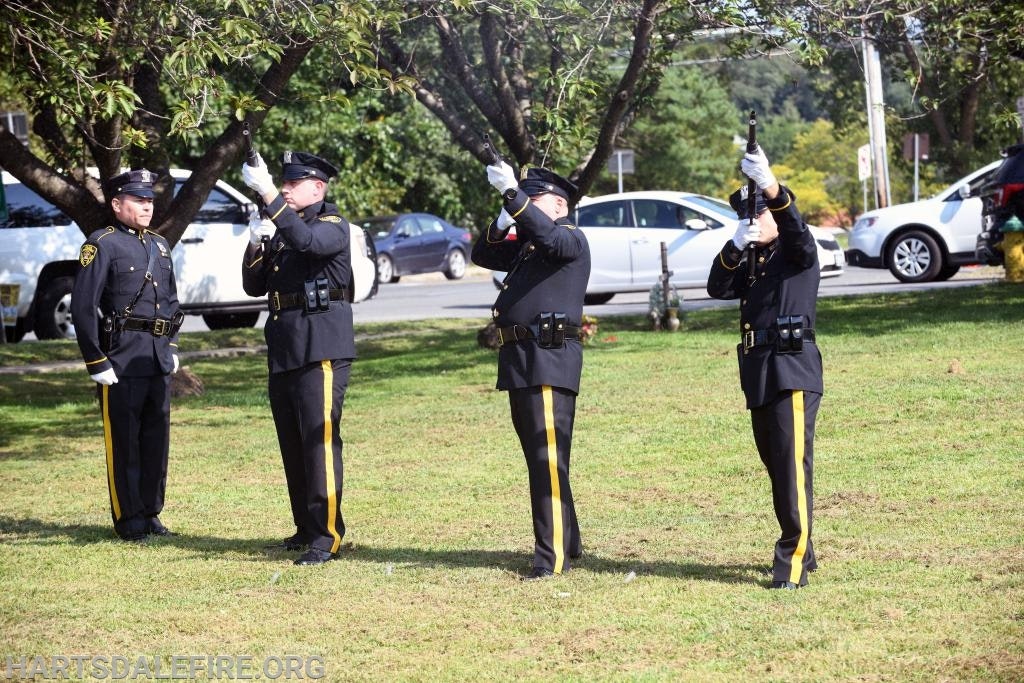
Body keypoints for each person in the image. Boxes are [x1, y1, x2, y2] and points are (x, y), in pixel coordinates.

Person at [706, 146, 823, 590]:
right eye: (746, 217)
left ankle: (790, 565)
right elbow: (717, 286)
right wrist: (735, 245)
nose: (753, 222)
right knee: (780, 469)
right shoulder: (754, 262)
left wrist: (772, 186)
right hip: (759, 372)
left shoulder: (796, 251)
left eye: (759, 214)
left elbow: (794, 227)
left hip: (792, 368)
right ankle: (805, 551)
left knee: (792, 468)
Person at [471, 161, 591, 580]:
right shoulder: (531, 244)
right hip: (522, 359)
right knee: (541, 459)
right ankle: (568, 539)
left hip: (548, 358)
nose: (527, 212)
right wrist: (505, 213)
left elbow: (547, 233)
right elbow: (483, 253)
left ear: (559, 205)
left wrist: (512, 196)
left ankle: (551, 555)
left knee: (546, 459)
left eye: (533, 202)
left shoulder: (570, 238)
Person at [240, 150, 354, 567]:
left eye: (293, 184)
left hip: (321, 347)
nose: (285, 189)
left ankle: (327, 535)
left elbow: (309, 243)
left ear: (318, 187)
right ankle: (306, 526)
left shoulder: (331, 224)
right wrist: (255, 239)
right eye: (282, 183)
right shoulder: (284, 228)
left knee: (318, 440)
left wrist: (269, 194)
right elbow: (254, 285)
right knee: (292, 441)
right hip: (286, 346)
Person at [70, 169, 183, 542]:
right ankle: (128, 516)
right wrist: (95, 360)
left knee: (156, 439)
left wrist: (173, 345)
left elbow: (170, 302)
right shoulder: (100, 244)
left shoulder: (160, 245)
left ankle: (151, 513)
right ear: (117, 204)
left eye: (150, 200)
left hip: (155, 357)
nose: (147, 206)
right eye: (138, 200)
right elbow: (83, 307)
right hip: (119, 357)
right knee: (124, 440)